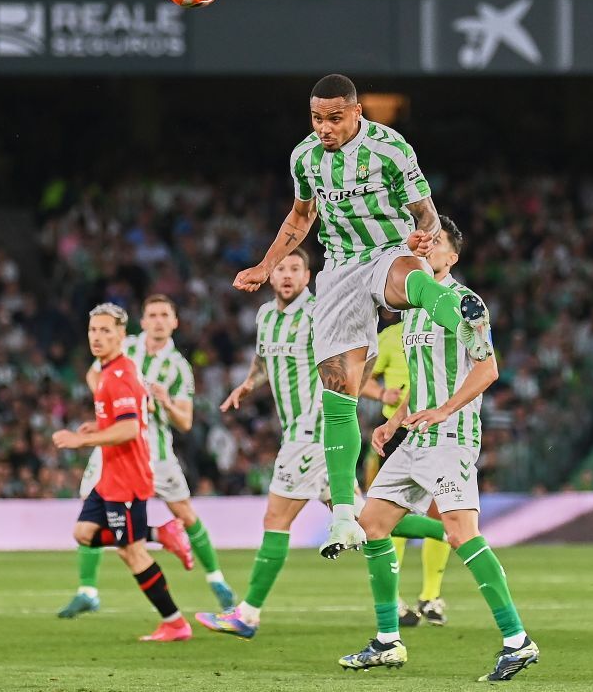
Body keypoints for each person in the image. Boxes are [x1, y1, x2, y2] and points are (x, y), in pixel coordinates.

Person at [233, 73, 494, 559]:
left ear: (356, 112)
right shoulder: (304, 157)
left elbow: (426, 213)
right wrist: (266, 265)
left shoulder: (390, 149)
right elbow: (301, 216)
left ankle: (459, 314)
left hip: (389, 249)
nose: (324, 128)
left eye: (335, 118)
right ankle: (343, 517)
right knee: (338, 387)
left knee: (407, 279)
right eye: (317, 118)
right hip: (339, 269)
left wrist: (423, 237)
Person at [196, 247, 445, 639]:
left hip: (311, 434)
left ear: (307, 276)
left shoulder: (319, 313)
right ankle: (452, 533)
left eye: (295, 268)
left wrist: (353, 398)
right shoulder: (265, 316)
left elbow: (364, 352)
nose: (287, 275)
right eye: (281, 268)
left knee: (276, 520)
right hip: (297, 434)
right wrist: (247, 384)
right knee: (366, 520)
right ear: (271, 276)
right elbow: (263, 361)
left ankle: (247, 614)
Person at [338, 218, 539, 681]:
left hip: (451, 436)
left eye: (437, 244)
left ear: (453, 257)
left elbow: (488, 369)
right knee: (373, 524)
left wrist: (444, 410)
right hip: (416, 435)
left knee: (462, 534)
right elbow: (422, 378)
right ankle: (387, 640)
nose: (426, 249)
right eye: (423, 242)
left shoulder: (467, 304)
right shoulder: (411, 308)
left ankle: (517, 641)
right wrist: (393, 421)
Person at [51, 303, 191, 642]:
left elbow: (129, 429)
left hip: (127, 478)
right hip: (110, 475)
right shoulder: (109, 370)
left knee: (131, 552)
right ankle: (159, 532)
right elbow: (129, 417)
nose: (97, 337)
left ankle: (174, 623)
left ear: (121, 336)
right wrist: (98, 426)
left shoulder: (119, 376)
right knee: (84, 533)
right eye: (93, 330)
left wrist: (81, 441)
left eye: (105, 331)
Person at [86, 294, 235, 610]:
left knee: (185, 513)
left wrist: (165, 402)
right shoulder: (124, 346)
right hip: (116, 445)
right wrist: (120, 400)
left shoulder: (179, 367)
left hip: (157, 452)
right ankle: (87, 590)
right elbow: (93, 375)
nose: (158, 321)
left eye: (164, 315)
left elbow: (185, 421)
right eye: (152, 315)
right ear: (142, 321)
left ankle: (216, 579)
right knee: (90, 509)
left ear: (175, 322)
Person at [362, 317, 452, 628]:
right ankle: (395, 598)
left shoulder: (444, 325)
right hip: (398, 432)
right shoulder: (390, 336)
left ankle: (430, 596)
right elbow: (362, 378)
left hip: (437, 430)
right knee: (390, 515)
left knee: (440, 511)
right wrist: (380, 395)